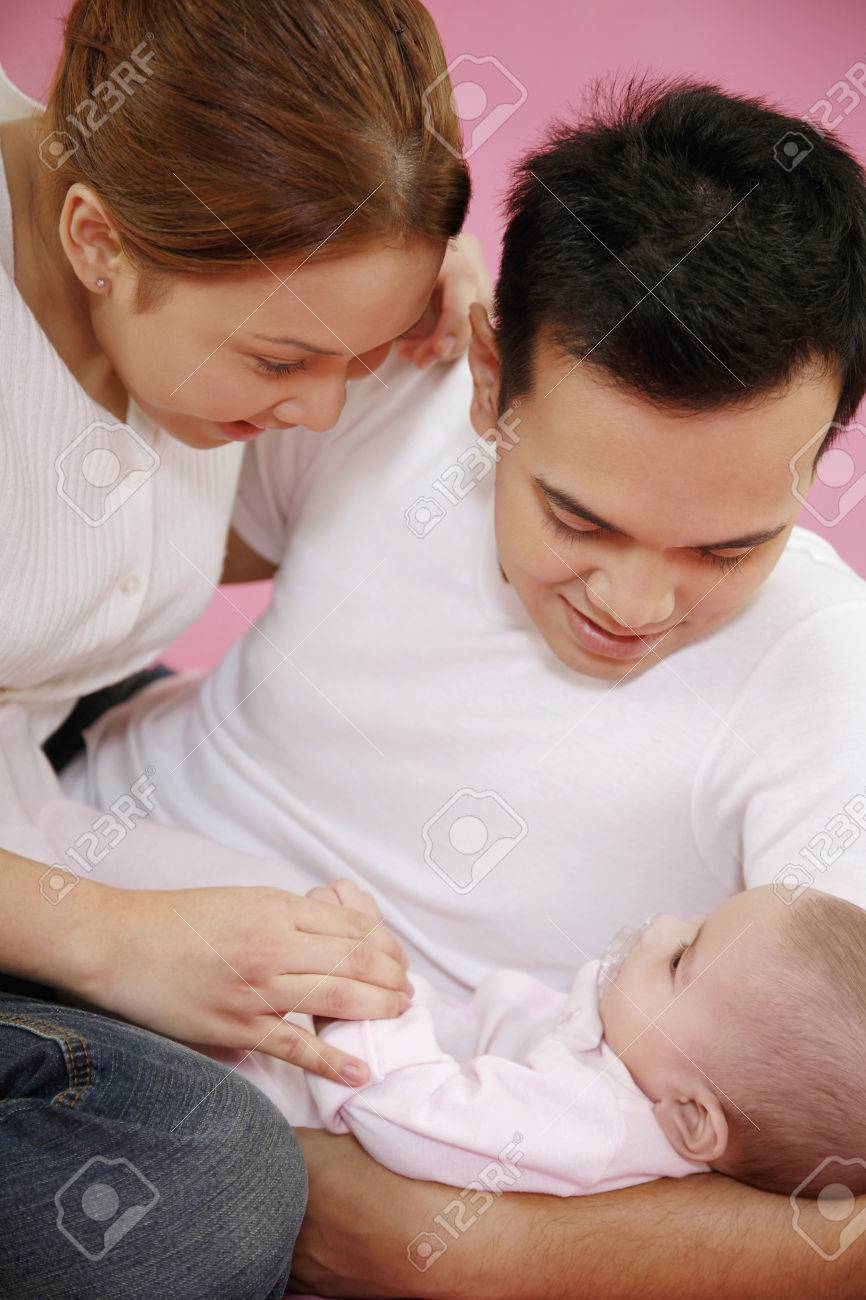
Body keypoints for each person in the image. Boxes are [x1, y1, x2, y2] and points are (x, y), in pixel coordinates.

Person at [65, 78, 866, 1295]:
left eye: (725, 548)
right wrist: (347, 287)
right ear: (492, 376)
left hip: (181, 1059)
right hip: (79, 792)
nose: (635, 603)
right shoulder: (397, 386)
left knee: (206, 1194)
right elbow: (92, 551)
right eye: (576, 518)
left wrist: (465, 1247)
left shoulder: (821, 677)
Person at [0, 0, 493, 1294]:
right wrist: (109, 936)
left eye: (356, 361)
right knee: (203, 1189)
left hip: (32, 759)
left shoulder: (186, 263)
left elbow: (95, 549)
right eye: (284, 359)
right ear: (95, 240)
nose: (320, 410)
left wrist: (397, 294)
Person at [207, 884, 866, 1204]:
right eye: (696, 918)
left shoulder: (592, 1123)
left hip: (286, 1100)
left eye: (679, 959)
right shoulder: (631, 1060)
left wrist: (349, 986)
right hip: (319, 1049)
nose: (664, 923)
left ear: (692, 1117)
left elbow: (409, 1115)